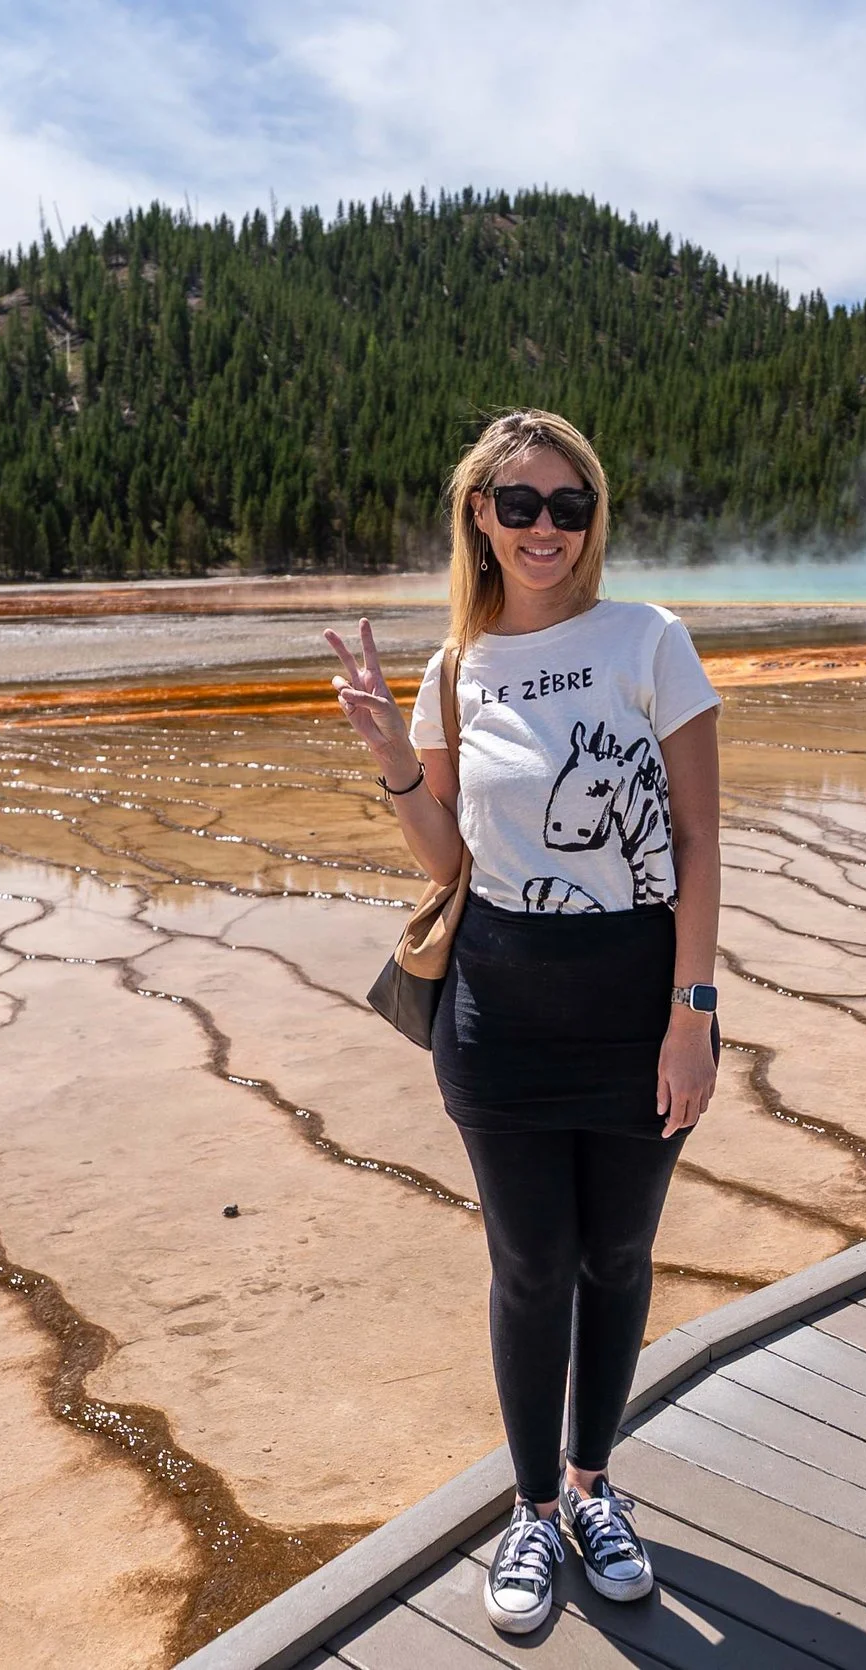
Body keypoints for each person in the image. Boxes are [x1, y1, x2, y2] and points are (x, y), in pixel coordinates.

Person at [323, 409, 722, 1634]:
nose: (545, 526)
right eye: (519, 505)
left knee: (615, 1255)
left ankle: (597, 1488)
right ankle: (532, 1508)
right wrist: (398, 751)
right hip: (499, 1011)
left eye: (569, 506)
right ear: (479, 522)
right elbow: (450, 852)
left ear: (592, 522)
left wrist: (691, 1010)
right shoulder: (457, 668)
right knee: (530, 1263)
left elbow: (700, 840)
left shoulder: (649, 640)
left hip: (635, 1003)